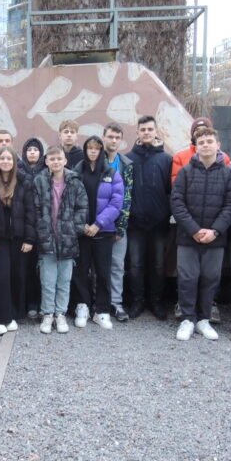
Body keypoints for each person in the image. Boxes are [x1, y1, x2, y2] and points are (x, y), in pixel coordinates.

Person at [171, 127, 231, 341]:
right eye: (201, 142)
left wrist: (215, 230)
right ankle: (187, 319)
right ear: (196, 147)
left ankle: (204, 319)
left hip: (215, 239)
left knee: (210, 278)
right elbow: (177, 203)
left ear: (218, 145)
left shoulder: (228, 174)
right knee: (187, 278)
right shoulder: (186, 172)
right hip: (188, 237)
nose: (206, 145)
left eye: (210, 141)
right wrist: (194, 230)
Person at [32, 145, 88, 334]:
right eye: (52, 159)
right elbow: (35, 209)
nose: (56, 162)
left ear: (65, 161)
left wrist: (75, 228)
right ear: (46, 161)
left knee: (64, 280)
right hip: (47, 238)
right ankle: (47, 314)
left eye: (59, 159)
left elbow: (82, 207)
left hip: (68, 239)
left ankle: (61, 314)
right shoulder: (39, 181)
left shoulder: (74, 181)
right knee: (48, 280)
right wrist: (41, 231)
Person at [0, 147, 36, 335]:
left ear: (14, 161)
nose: (5, 161)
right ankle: (0, 319)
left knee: (16, 277)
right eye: (2, 158)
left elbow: (30, 212)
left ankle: (12, 315)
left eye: (9, 158)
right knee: (1, 277)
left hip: (19, 238)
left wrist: (29, 238)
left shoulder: (23, 181)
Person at [72, 136, 124, 329]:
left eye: (97, 148)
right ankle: (83, 306)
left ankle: (101, 310)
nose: (93, 151)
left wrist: (99, 224)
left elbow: (116, 202)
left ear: (101, 151)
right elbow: (70, 200)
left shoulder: (111, 173)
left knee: (102, 272)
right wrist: (83, 224)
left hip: (103, 231)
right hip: (81, 231)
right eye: (90, 148)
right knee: (81, 270)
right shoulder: (76, 172)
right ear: (85, 150)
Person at [125, 115, 172, 320]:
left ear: (155, 132)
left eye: (150, 129)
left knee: (159, 265)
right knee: (135, 265)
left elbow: (171, 191)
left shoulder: (166, 160)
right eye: (142, 129)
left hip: (159, 224)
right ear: (137, 132)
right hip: (134, 224)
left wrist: (165, 214)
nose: (146, 133)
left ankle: (156, 301)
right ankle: (137, 301)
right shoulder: (128, 159)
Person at [102, 122, 133, 322]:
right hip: (98, 225)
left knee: (116, 265)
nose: (113, 140)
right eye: (110, 136)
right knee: (97, 266)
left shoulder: (126, 164)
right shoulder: (95, 161)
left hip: (118, 225)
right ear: (103, 137)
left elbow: (128, 197)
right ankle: (99, 302)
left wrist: (121, 226)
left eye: (117, 137)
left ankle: (115, 302)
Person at [20, 137, 47, 317]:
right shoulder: (18, 170)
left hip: (44, 227)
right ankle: (28, 303)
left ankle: (43, 304)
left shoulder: (47, 171)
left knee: (44, 269)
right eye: (29, 149)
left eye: (36, 149)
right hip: (24, 228)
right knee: (26, 268)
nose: (32, 152)